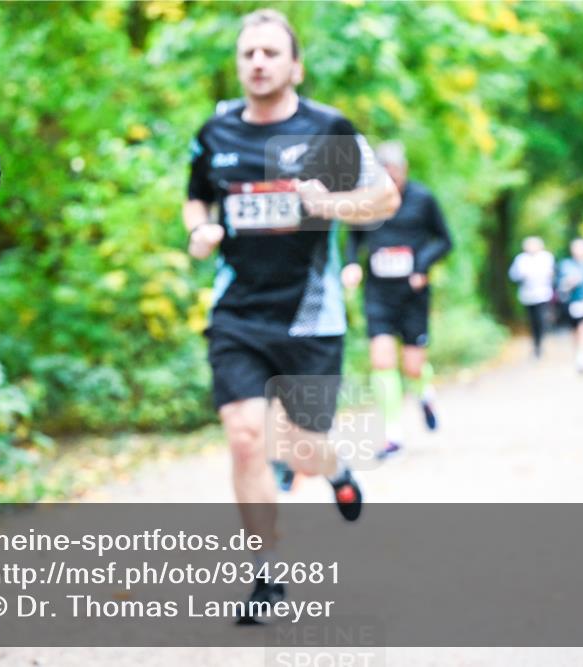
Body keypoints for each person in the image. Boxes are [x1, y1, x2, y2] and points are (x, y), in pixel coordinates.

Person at [184, 9, 400, 623]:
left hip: (311, 318)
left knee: (298, 446)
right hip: (237, 313)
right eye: (248, 53)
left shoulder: (327, 129)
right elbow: (196, 195)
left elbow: (385, 198)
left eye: (270, 53)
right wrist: (200, 228)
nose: (257, 62)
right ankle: (265, 575)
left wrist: (329, 201)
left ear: (294, 65)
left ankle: (335, 469)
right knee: (248, 439)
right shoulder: (216, 132)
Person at [342, 141, 452, 459]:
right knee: (382, 361)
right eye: (382, 170)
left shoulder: (423, 199)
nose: (389, 177)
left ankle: (425, 394)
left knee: (413, 367)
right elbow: (354, 236)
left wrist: (421, 266)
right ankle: (392, 434)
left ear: (404, 170)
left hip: (413, 293)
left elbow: (445, 241)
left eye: (394, 170)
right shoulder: (366, 199)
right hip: (378, 293)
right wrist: (351, 264)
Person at [557, 239, 583, 374]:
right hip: (572, 303)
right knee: (575, 330)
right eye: (576, 248)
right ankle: (578, 353)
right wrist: (569, 283)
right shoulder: (566, 265)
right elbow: (559, 285)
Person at [508, 236, 555, 359]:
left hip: (543, 295)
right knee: (532, 321)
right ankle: (535, 344)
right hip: (527, 296)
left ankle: (540, 344)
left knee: (541, 319)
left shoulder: (546, 257)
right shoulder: (521, 259)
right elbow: (513, 275)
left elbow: (551, 274)